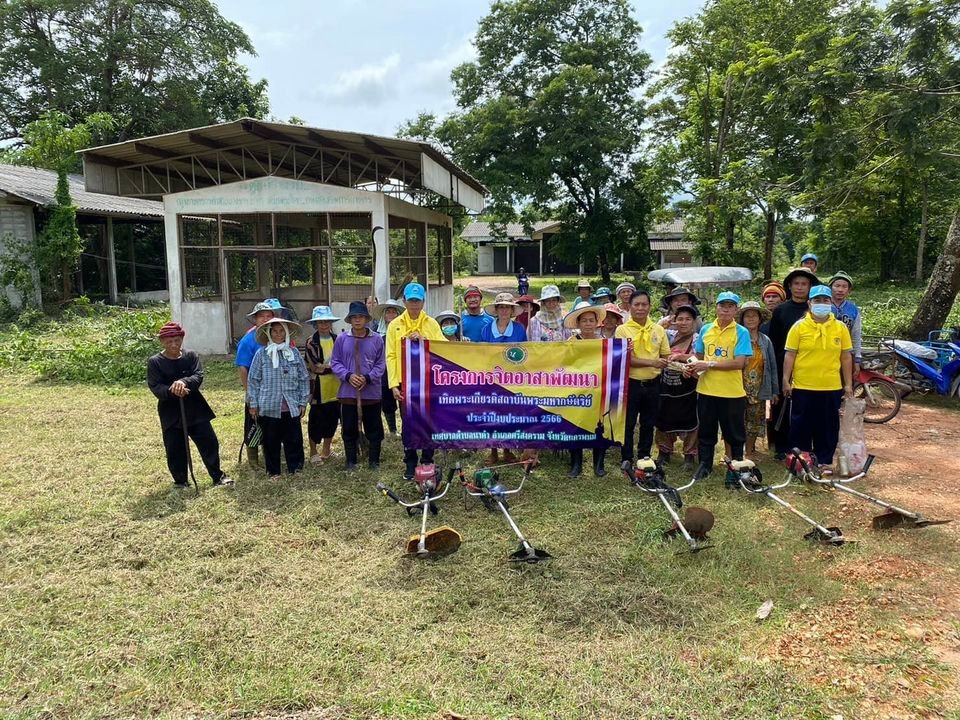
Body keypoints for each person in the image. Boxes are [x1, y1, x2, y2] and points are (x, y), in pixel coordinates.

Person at [148, 322, 232, 489]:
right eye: (169, 341)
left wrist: (183, 382)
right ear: (162, 342)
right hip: (170, 411)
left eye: (177, 340)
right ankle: (181, 481)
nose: (174, 344)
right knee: (175, 447)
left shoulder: (191, 356)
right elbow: (155, 386)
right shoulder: (155, 362)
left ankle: (217, 476)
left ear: (182, 339)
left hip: (195, 408)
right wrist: (173, 390)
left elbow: (198, 375)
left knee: (209, 442)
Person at [783, 285, 854, 470]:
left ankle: (824, 460)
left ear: (830, 303)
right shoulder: (799, 327)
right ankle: (801, 460)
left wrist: (848, 384)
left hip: (831, 386)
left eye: (825, 300)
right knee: (801, 424)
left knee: (828, 426)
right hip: (803, 385)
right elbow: (790, 354)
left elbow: (846, 356)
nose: (821, 303)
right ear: (809, 303)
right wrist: (785, 380)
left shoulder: (840, 327)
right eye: (817, 300)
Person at [689, 292, 753, 485]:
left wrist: (709, 364)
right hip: (706, 390)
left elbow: (739, 363)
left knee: (734, 432)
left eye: (730, 306)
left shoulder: (741, 332)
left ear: (736, 310)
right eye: (722, 305)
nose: (726, 309)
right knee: (706, 431)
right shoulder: (706, 329)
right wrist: (691, 367)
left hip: (731, 392)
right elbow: (699, 357)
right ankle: (705, 465)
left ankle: (737, 466)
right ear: (716, 307)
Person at [386, 282, 447, 479]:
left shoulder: (431, 324)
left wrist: (424, 339)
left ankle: (427, 459)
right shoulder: (394, 325)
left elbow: (443, 349)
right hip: (405, 383)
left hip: (428, 382)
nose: (414, 304)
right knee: (408, 422)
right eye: (411, 300)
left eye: (417, 301)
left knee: (428, 421)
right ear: (404, 301)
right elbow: (390, 356)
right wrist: (393, 384)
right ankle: (410, 462)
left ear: (423, 302)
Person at [765, 267, 820, 458]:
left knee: (807, 408)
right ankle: (781, 447)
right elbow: (774, 342)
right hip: (784, 365)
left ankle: (805, 446)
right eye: (796, 283)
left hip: (810, 366)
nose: (800, 287)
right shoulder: (781, 310)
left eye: (804, 284)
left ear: (810, 286)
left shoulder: (815, 311)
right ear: (789, 286)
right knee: (782, 406)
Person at [247, 317, 310, 481]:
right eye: (274, 331)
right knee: (270, 440)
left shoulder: (294, 353)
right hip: (269, 406)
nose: (278, 334)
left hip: (291, 404)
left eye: (282, 331)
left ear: (287, 333)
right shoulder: (262, 354)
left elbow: (303, 378)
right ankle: (273, 471)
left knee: (294, 439)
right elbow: (253, 380)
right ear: (269, 333)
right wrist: (253, 404)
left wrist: (303, 402)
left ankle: (295, 468)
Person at [615, 289, 671, 463]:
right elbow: (626, 360)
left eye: (644, 304)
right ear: (630, 306)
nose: (640, 308)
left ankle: (644, 456)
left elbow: (665, 355)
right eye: (636, 304)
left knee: (648, 423)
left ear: (649, 306)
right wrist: (653, 362)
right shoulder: (622, 330)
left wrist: (664, 362)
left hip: (653, 384)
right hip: (630, 384)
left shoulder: (658, 330)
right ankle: (627, 458)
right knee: (628, 423)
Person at [331, 301, 386, 470]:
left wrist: (368, 378)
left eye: (361, 316)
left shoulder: (376, 339)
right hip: (348, 392)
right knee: (349, 428)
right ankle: (350, 461)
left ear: (367, 319)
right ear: (349, 319)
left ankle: (374, 461)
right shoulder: (342, 339)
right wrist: (348, 376)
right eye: (354, 317)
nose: (357, 320)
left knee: (374, 428)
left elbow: (381, 364)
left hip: (371, 392)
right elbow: (335, 362)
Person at [235, 298, 283, 466]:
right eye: (261, 316)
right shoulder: (248, 340)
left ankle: (272, 451)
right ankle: (253, 458)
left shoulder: (276, 337)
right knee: (253, 422)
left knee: (272, 422)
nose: (265, 319)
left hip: (274, 389)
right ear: (255, 319)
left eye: (268, 316)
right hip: (256, 389)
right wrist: (250, 392)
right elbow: (243, 368)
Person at [654, 305, 700, 472]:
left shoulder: (697, 339)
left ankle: (689, 454)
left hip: (688, 387)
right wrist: (664, 322)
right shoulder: (668, 335)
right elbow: (653, 334)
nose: (684, 322)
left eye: (688, 319)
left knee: (691, 420)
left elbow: (699, 358)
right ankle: (664, 451)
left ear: (694, 322)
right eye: (680, 319)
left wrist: (681, 357)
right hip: (666, 385)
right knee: (663, 417)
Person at [564, 304, 608, 477]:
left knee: (600, 426)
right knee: (575, 425)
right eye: (584, 321)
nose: (588, 324)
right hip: (577, 391)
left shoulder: (605, 342)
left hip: (599, 391)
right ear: (578, 323)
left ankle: (599, 464)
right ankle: (576, 464)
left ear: (597, 323)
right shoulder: (571, 342)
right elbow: (565, 363)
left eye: (591, 320)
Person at [737, 301, 779, 457]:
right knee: (736, 421)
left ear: (760, 319)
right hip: (737, 386)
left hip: (759, 388)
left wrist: (774, 390)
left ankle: (749, 452)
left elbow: (772, 367)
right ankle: (735, 452)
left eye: (754, 316)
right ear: (742, 319)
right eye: (747, 316)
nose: (751, 319)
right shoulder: (736, 338)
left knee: (754, 422)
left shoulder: (765, 341)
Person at [304, 306, 341, 464]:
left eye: (327, 321)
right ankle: (313, 451)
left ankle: (326, 449)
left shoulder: (338, 339)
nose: (324, 325)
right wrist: (337, 368)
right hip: (318, 388)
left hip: (336, 386)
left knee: (332, 417)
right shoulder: (311, 342)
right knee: (316, 419)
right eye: (320, 322)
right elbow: (315, 366)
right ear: (315, 324)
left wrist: (334, 368)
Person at [372, 298, 405, 436]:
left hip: (402, 370)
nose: (391, 314)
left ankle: (406, 428)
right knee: (387, 401)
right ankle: (392, 429)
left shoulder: (405, 331)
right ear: (384, 315)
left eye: (394, 312)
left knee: (404, 400)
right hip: (384, 372)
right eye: (388, 312)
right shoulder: (377, 334)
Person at [828, 271, 863, 371]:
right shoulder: (824, 306)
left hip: (846, 353)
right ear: (830, 288)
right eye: (837, 286)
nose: (840, 290)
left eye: (844, 287)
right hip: (826, 352)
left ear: (849, 290)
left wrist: (857, 357)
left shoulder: (853, 309)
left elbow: (856, 334)